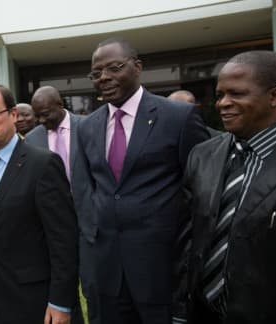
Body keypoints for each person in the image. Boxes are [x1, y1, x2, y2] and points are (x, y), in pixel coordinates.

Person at [75, 38, 209, 324]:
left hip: (163, 268)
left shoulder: (178, 117)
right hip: (108, 270)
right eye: (96, 73)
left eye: (114, 67)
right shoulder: (86, 126)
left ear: (137, 67)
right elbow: (88, 190)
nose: (105, 78)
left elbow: (201, 191)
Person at [0, 83, 79, 324]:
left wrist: (60, 302)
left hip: (36, 302)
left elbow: (63, 242)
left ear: (13, 114)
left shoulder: (43, 164)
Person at [183, 50, 276, 323]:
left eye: (236, 94)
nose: (223, 104)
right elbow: (188, 238)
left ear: (275, 96)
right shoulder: (202, 155)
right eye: (219, 95)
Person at [24, 85, 91, 324]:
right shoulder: (32, 138)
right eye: (37, 115)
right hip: (54, 227)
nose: (41, 120)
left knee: (94, 286)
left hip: (90, 221)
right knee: (63, 283)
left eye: (46, 114)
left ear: (60, 106)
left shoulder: (87, 127)